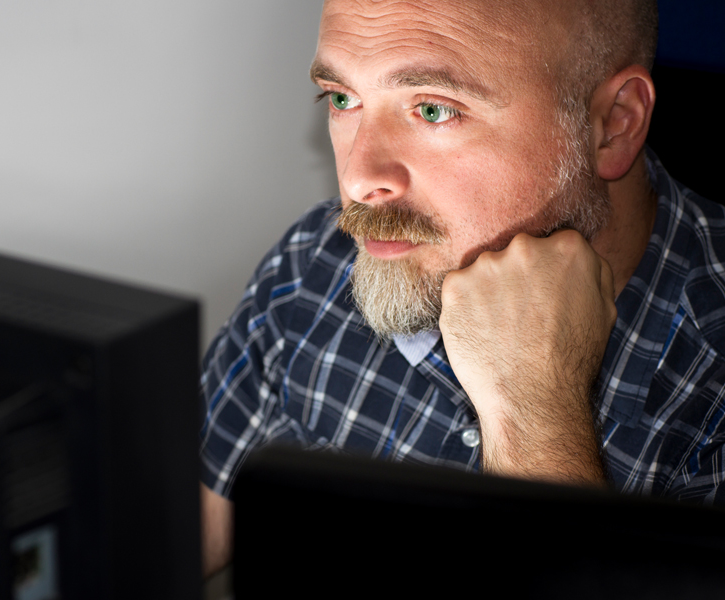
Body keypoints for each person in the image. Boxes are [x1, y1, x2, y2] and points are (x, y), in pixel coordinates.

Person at [199, 0, 725, 577]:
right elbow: (169, 536)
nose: (358, 178)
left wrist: (534, 409)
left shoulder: (711, 376)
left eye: (431, 109)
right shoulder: (314, 266)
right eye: (344, 99)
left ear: (614, 123)